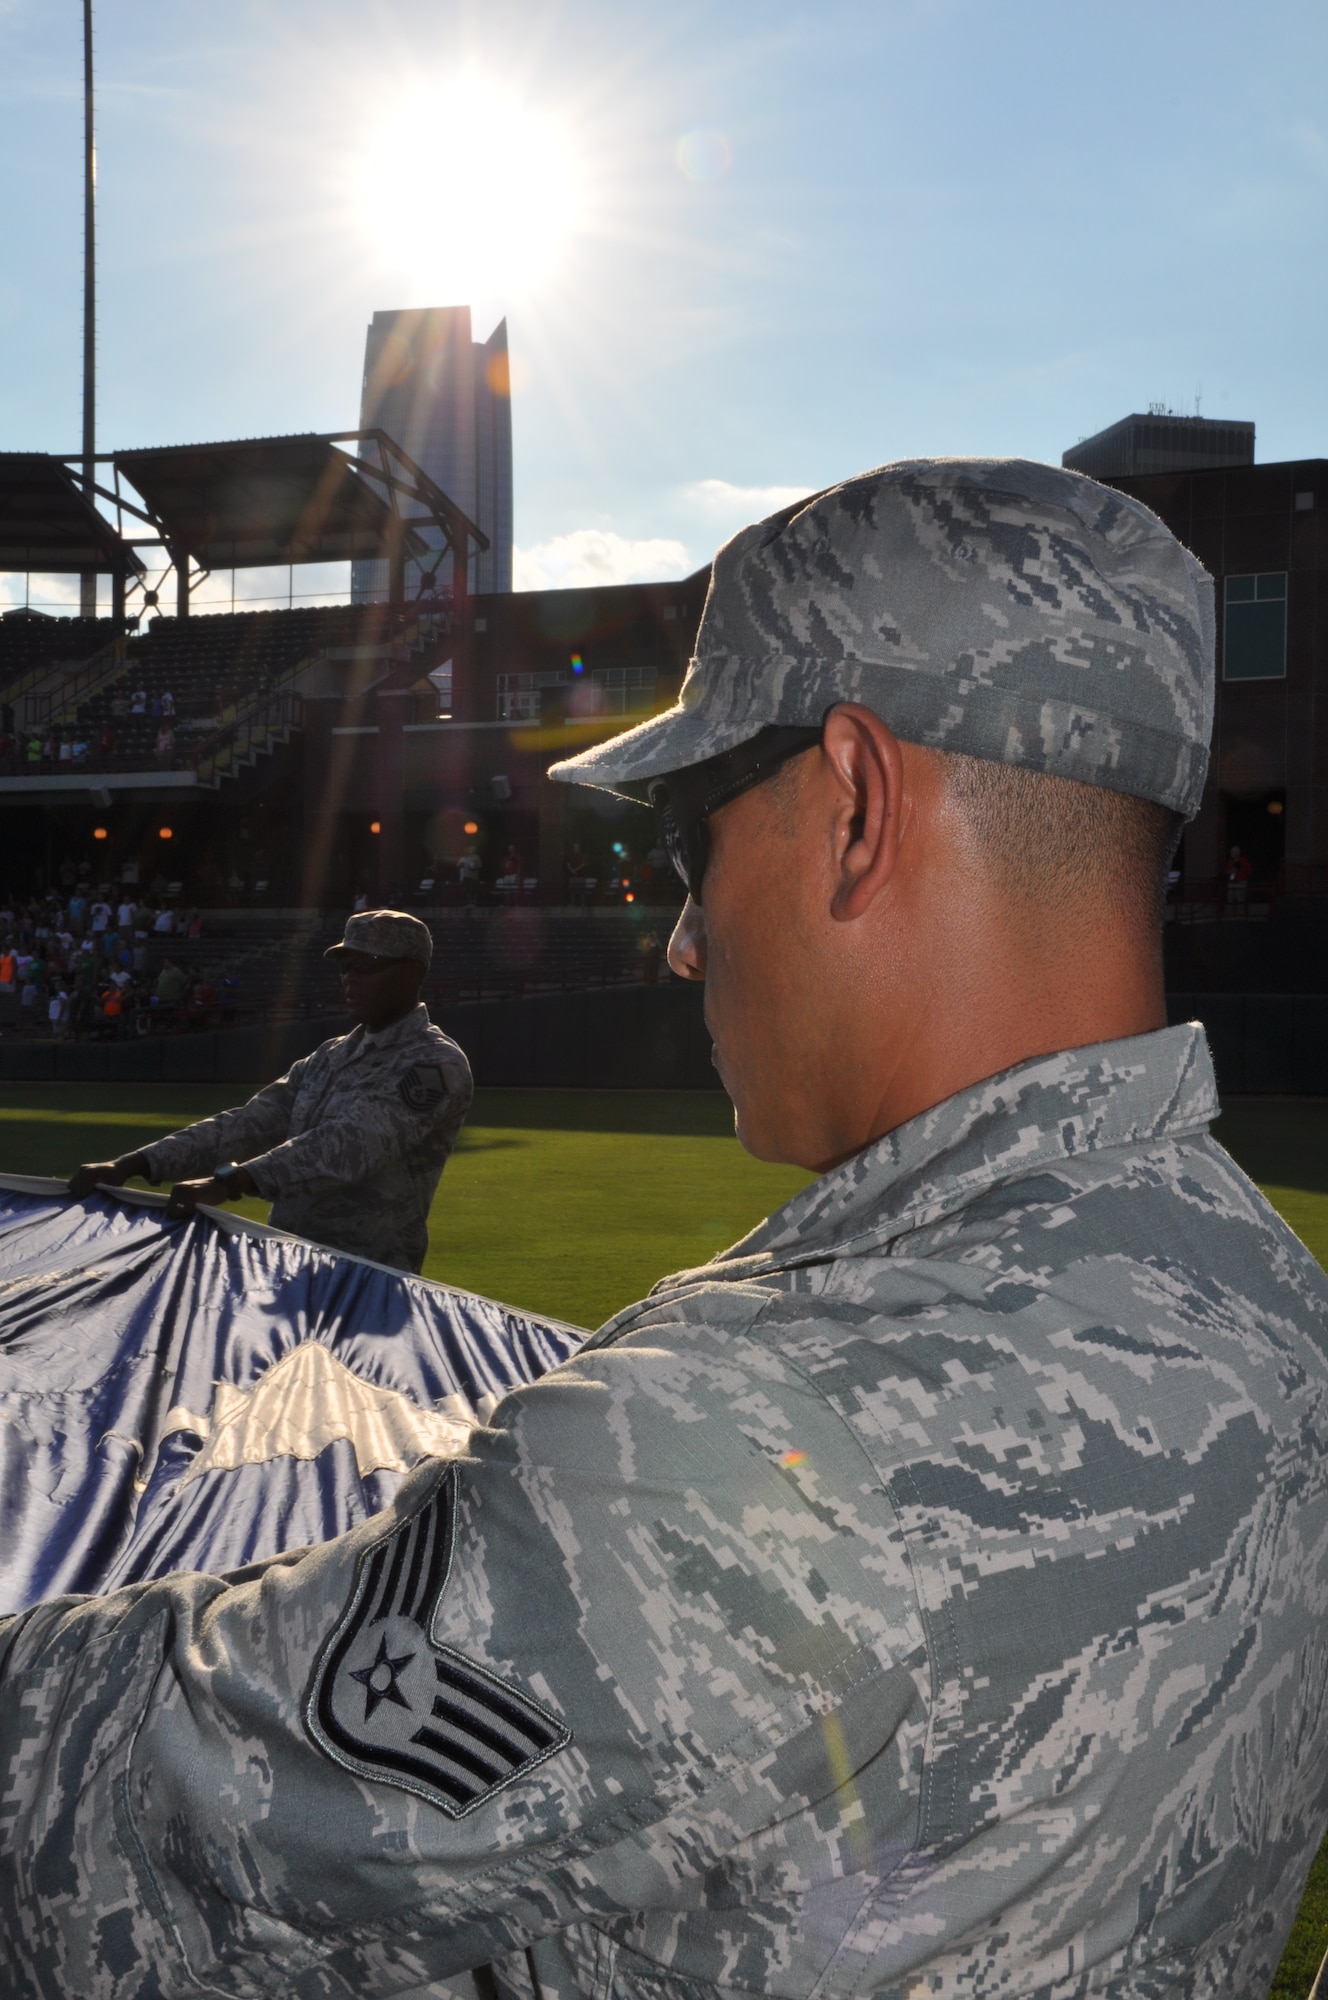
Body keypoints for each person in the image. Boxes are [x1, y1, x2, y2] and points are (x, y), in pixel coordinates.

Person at [8, 461, 1328, 2000]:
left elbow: (111, 1819)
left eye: (689, 845)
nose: (684, 939)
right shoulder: (1282, 1311)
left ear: (854, 802)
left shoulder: (734, 1435)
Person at [68, 908, 472, 1273]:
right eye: (346, 966)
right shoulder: (331, 1055)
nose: (351, 978)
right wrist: (135, 1163)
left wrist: (233, 1181)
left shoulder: (435, 1064)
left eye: (368, 964)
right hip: (288, 1268)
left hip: (366, 1283)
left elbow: (351, 1145)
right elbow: (247, 1124)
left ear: (413, 973)